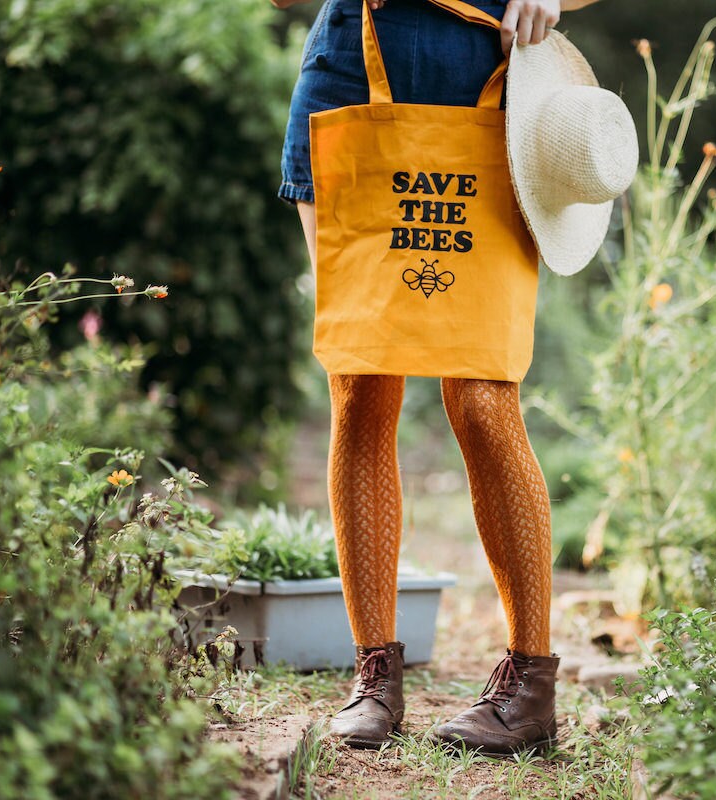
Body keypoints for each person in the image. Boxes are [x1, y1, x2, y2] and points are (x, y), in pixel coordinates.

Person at [273, 0, 603, 756]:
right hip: (353, 73)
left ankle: (530, 687)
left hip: (497, 89)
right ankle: (375, 675)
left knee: (484, 396)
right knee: (362, 382)